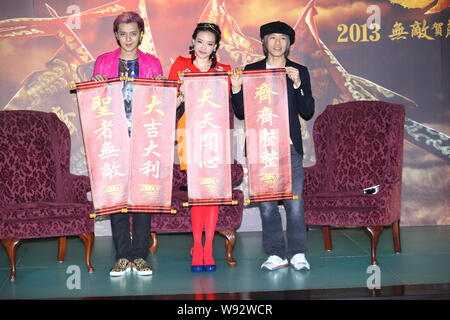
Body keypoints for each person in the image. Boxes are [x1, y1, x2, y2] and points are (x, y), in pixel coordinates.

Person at [231, 21, 315, 271]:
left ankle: (298, 252)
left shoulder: (298, 70)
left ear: (289, 43)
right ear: (264, 42)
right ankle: (276, 253)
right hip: (261, 148)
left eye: (283, 39)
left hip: (289, 148)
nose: (277, 43)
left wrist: (299, 85)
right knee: (267, 205)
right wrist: (236, 90)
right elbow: (242, 111)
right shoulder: (252, 70)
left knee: (295, 204)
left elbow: (308, 111)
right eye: (272, 38)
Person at [91, 11, 163, 277]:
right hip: (113, 138)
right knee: (117, 197)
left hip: (145, 137)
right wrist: (95, 85)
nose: (128, 39)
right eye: (123, 34)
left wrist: (160, 87)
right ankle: (122, 256)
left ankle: (140, 257)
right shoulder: (103, 62)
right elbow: (96, 105)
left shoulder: (153, 63)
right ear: (116, 36)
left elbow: (161, 104)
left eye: (133, 33)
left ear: (141, 35)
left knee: (142, 198)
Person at [168, 22, 238, 272]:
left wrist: (237, 88)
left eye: (210, 44)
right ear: (193, 41)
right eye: (200, 41)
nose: (203, 47)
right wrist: (180, 95)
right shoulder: (180, 66)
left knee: (212, 195)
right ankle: (197, 248)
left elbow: (237, 106)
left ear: (216, 46)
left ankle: (208, 249)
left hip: (215, 138)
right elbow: (169, 104)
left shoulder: (224, 70)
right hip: (189, 135)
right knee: (198, 195)